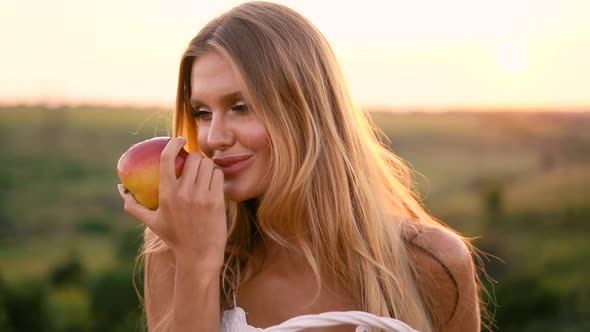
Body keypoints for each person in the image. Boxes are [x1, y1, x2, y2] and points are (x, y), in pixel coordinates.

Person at [117, 1, 487, 331]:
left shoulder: (429, 263)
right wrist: (197, 264)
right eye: (202, 113)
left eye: (240, 107)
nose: (213, 137)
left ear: (305, 110)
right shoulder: (174, 251)